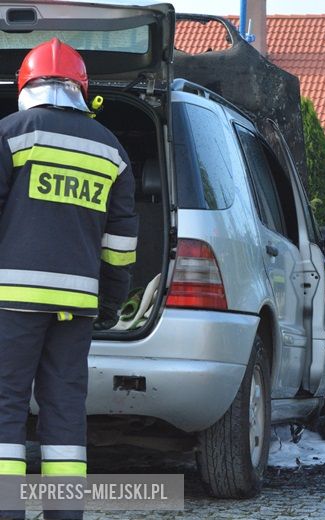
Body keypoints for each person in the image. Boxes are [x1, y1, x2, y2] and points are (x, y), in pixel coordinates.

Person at [0, 39, 137, 518]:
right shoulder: (111, 151)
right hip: (76, 305)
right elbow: (120, 245)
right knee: (63, 414)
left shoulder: (10, 134)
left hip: (10, 303)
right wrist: (109, 304)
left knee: (5, 409)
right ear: (81, 89)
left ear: (26, 85)